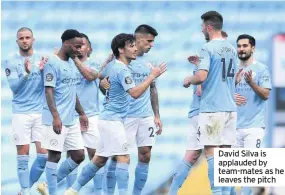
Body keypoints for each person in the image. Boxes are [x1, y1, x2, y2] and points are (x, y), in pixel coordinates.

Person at [64, 33, 167, 195]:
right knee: (124, 158)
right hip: (112, 121)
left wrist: (104, 83)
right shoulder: (121, 69)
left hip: (108, 119)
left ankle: (72, 190)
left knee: (99, 160)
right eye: (131, 46)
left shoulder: (114, 67)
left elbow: (101, 78)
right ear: (120, 49)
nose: (135, 49)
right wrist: (152, 76)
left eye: (135, 45)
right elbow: (134, 93)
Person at [102, 24, 164, 195]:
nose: (151, 45)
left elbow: (153, 88)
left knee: (145, 155)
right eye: (149, 41)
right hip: (125, 116)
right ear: (138, 39)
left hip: (145, 116)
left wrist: (156, 115)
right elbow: (104, 82)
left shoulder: (150, 64)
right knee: (118, 157)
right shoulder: (119, 61)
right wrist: (103, 85)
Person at [169, 29, 229, 195]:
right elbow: (201, 90)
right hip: (207, 112)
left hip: (197, 112)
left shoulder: (206, 62)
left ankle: (172, 192)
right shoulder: (209, 62)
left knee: (191, 155)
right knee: (217, 152)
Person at [184, 11, 238, 195]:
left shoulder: (207, 48)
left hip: (213, 108)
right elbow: (232, 79)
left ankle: (217, 193)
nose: (201, 30)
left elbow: (201, 76)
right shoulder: (232, 49)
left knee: (211, 153)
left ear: (208, 27)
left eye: (202, 27)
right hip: (230, 108)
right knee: (226, 154)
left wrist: (188, 79)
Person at [40, 29, 89, 195]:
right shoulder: (52, 63)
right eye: (76, 46)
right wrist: (55, 116)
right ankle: (51, 191)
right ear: (66, 44)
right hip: (56, 118)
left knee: (79, 155)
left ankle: (46, 184)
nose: (79, 49)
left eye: (81, 46)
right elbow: (48, 91)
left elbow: (72, 91)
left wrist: (82, 113)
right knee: (54, 156)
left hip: (71, 119)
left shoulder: (71, 63)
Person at [3, 27, 48, 195]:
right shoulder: (11, 61)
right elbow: (14, 88)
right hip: (21, 112)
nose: (24, 40)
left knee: (43, 156)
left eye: (27, 37)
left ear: (33, 40)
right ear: (17, 41)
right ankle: (26, 192)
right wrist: (27, 73)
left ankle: (25, 188)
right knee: (23, 156)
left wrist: (46, 70)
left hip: (40, 112)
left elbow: (50, 85)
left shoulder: (43, 59)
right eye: (21, 38)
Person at [235, 34, 271, 195]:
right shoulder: (233, 69)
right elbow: (221, 95)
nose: (241, 49)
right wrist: (231, 89)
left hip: (254, 126)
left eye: (245, 46)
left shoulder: (261, 69)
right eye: (239, 46)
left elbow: (265, 95)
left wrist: (251, 83)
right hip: (234, 127)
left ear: (253, 48)